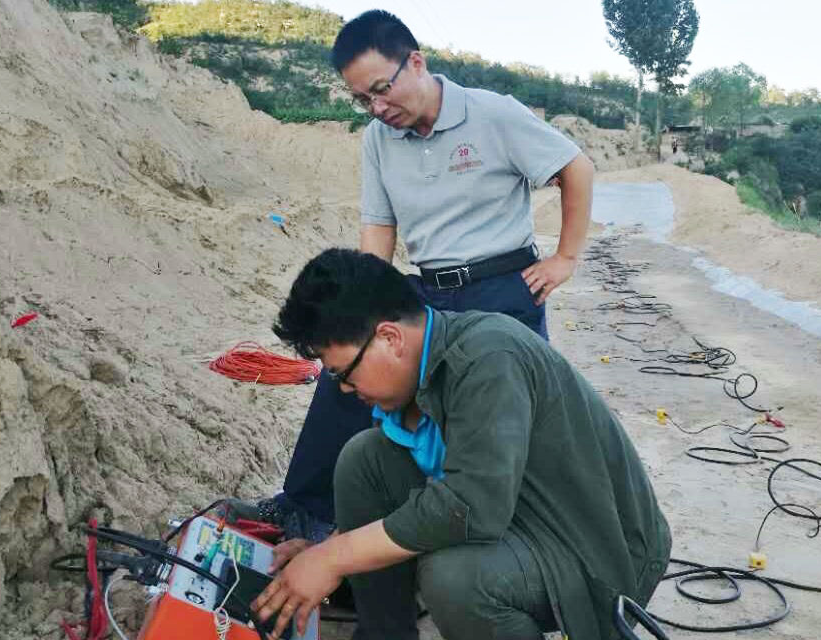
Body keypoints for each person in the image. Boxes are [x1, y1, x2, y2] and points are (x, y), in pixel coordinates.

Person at [231, 9, 595, 545]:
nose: (378, 108)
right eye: (363, 100)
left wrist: (565, 258)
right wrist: (361, 305)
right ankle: (305, 507)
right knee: (348, 370)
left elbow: (575, 168)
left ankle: (507, 536)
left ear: (416, 63)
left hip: (503, 289)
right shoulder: (378, 139)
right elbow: (379, 225)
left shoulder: (492, 114)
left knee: (496, 416)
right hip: (427, 288)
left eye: (382, 90)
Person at [253, 248, 671, 640]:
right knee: (365, 460)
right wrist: (328, 549)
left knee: (453, 578)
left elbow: (471, 507)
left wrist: (334, 557)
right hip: (518, 514)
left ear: (390, 338)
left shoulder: (487, 357)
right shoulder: (425, 364)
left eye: (343, 373)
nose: (344, 388)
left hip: (597, 548)